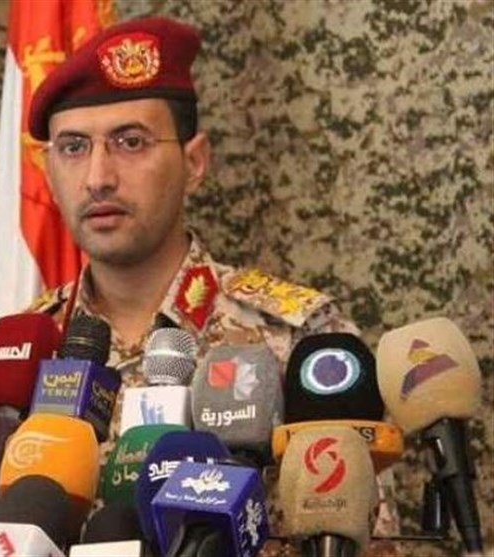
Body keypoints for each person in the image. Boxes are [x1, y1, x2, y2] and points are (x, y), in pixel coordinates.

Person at [25, 15, 398, 552]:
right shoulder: (24, 348)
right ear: (48, 171)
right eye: (73, 147)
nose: (98, 177)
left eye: (130, 142)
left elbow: (367, 538)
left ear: (194, 161)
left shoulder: (298, 337)